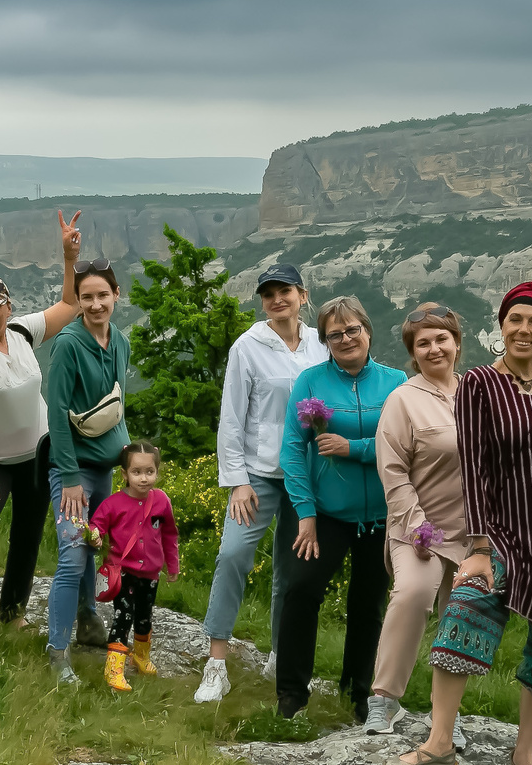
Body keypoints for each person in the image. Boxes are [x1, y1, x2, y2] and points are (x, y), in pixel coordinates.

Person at [386, 283, 532, 765]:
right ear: (501, 326)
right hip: (503, 530)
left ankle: (525, 755)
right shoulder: (480, 383)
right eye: (516, 320)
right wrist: (478, 547)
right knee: (465, 610)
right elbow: (474, 469)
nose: (524, 330)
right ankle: (439, 742)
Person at [0, 213, 84, 657]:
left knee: (27, 531)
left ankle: (12, 611)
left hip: (36, 453)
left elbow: (70, 305)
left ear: (8, 306)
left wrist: (69, 258)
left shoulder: (24, 332)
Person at [193, 264, 325, 705]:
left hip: (305, 476)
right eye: (268, 293)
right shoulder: (247, 347)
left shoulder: (318, 345)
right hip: (257, 475)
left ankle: (280, 656)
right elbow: (231, 417)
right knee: (232, 555)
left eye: (284, 291)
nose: (276, 299)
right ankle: (216, 664)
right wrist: (236, 482)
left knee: (290, 573)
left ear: (302, 296)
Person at [275, 297, 406, 721]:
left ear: (368, 331)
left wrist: (355, 449)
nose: (346, 339)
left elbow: (405, 444)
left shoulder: (396, 381)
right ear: (325, 340)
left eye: (353, 330)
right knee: (300, 590)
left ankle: (359, 692)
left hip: (380, 516)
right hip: (326, 514)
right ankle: (291, 694)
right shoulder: (311, 381)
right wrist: (305, 513)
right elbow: (293, 449)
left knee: (369, 605)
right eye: (335, 333)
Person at [364, 304, 466, 736]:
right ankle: (384, 700)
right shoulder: (403, 399)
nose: (433, 348)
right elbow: (393, 471)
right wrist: (418, 525)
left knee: (461, 612)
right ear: (413, 351)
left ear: (457, 343)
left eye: (441, 338)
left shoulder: (478, 393)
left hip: (472, 533)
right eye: (422, 342)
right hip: (417, 527)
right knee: (413, 593)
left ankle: (447, 717)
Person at [41, 259, 131, 685]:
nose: (96, 304)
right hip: (72, 472)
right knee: (73, 556)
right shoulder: (68, 344)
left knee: (92, 547)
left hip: (105, 467)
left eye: (103, 295)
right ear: (77, 302)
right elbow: (57, 414)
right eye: (87, 297)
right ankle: (57, 652)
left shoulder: (120, 342)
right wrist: (70, 477)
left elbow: (116, 405)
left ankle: (89, 619)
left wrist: (129, 461)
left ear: (117, 295)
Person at [86, 441, 179, 692]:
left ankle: (141, 656)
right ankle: (113, 667)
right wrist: (94, 534)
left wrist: (173, 564)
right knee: (123, 616)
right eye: (136, 472)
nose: (144, 478)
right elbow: (98, 524)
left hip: (150, 573)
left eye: (149, 472)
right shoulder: (113, 503)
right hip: (122, 572)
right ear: (125, 474)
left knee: (145, 616)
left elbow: (169, 534)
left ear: (157, 472)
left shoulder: (161, 501)